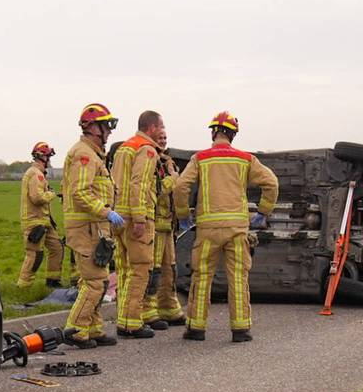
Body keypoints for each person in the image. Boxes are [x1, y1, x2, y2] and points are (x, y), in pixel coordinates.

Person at [173, 111, 279, 342]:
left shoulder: (200, 158)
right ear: (233, 134)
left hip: (208, 229)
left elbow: (181, 186)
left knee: (202, 277)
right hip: (237, 229)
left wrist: (183, 215)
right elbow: (271, 183)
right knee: (238, 277)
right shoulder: (245, 159)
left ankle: (196, 328)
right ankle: (240, 330)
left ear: (213, 132)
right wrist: (263, 212)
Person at [61, 103, 123, 348]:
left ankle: (94, 329)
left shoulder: (94, 155)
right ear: (93, 127)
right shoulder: (84, 154)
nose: (110, 131)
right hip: (86, 228)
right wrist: (106, 212)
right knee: (94, 283)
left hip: (95, 228)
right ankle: (76, 330)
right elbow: (80, 192)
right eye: (106, 125)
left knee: (99, 280)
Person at [110, 111, 165, 338]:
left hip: (118, 216)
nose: (162, 131)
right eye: (161, 126)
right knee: (141, 269)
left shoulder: (125, 147)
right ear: (152, 128)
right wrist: (140, 218)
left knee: (124, 271)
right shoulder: (146, 149)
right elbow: (139, 184)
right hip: (135, 219)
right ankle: (132, 322)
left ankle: (123, 320)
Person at [145, 124, 186, 327]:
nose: (163, 141)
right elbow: (157, 190)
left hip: (168, 225)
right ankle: (148, 311)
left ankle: (169, 308)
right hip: (154, 224)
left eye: (165, 138)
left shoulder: (168, 162)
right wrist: (173, 179)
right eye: (160, 137)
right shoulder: (150, 161)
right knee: (153, 271)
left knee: (170, 269)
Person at [17, 142, 64, 288]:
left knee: (57, 248)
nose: (49, 160)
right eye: (48, 157)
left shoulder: (39, 174)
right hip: (34, 222)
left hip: (44, 222)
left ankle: (52, 281)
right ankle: (23, 287)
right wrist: (51, 194)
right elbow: (37, 198)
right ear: (42, 157)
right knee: (35, 255)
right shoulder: (36, 174)